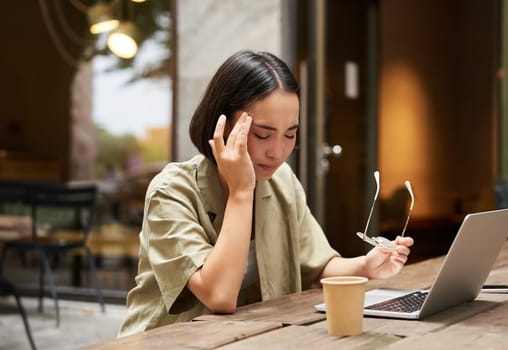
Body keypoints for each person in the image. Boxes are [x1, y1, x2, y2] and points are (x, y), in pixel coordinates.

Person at [118, 50, 414, 336]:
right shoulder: (171, 191)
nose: (277, 152)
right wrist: (241, 190)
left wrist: (366, 266)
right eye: (262, 134)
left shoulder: (282, 181)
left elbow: (319, 265)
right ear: (222, 124)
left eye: (290, 134)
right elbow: (219, 295)